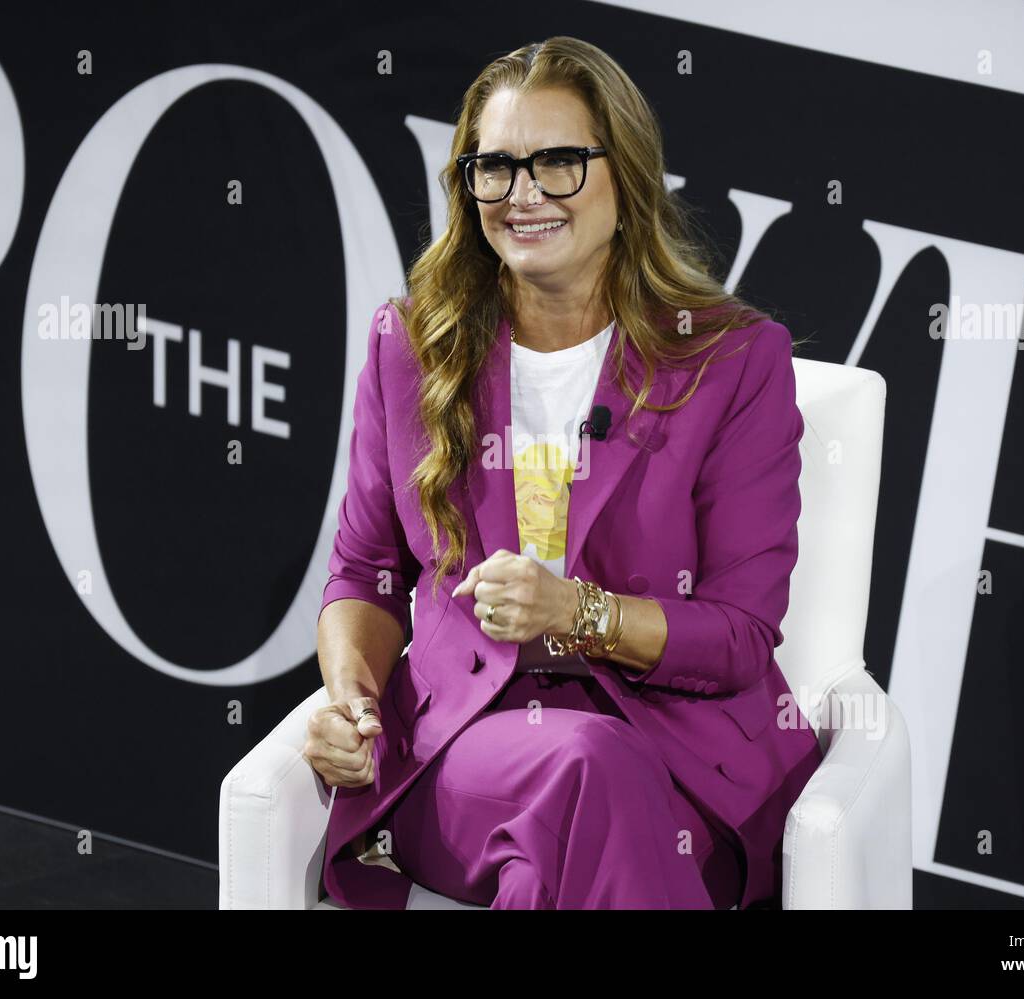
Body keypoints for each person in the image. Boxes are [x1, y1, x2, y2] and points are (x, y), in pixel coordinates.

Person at [305, 36, 822, 909]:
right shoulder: (413, 347)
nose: (525, 194)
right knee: (585, 768)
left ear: (626, 176)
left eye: (559, 162)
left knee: (570, 833)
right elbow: (366, 572)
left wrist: (577, 613)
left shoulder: (733, 361)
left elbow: (738, 636)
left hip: (679, 759)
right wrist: (351, 702)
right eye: (495, 167)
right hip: (470, 749)